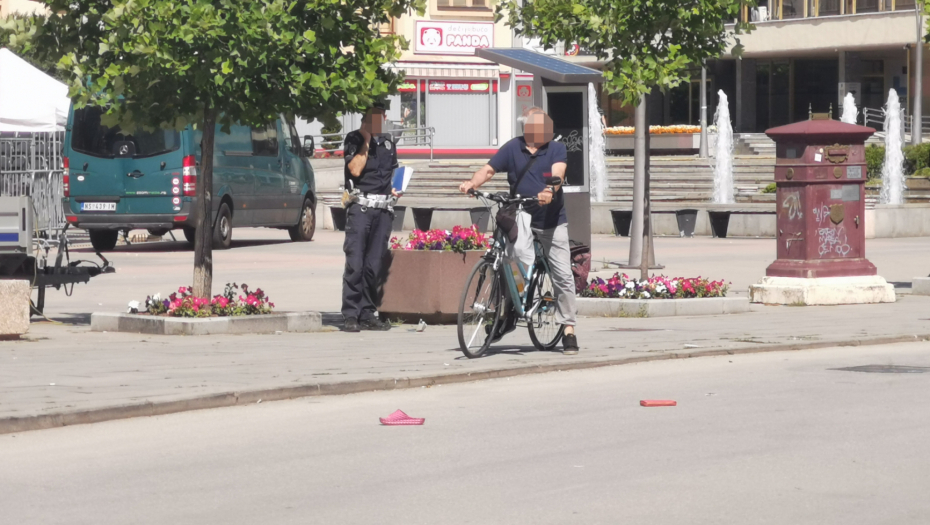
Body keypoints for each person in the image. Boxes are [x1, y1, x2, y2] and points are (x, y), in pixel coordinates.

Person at [458, 109, 580, 355]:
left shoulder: (555, 148)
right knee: (510, 264)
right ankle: (509, 312)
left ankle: (568, 329)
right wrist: (473, 183)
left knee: (562, 275)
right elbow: (489, 169)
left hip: (551, 220)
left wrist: (549, 190)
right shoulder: (513, 147)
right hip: (520, 215)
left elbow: (558, 173)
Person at [341, 104, 401, 332]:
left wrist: (395, 189)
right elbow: (355, 170)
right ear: (365, 119)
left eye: (381, 117)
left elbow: (391, 174)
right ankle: (350, 314)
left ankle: (367, 313)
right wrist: (366, 141)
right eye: (374, 118)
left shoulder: (388, 142)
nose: (379, 121)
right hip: (361, 209)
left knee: (373, 265)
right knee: (355, 264)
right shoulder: (354, 139)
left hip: (383, 209)